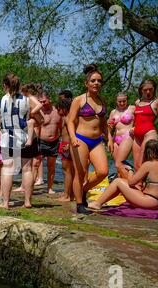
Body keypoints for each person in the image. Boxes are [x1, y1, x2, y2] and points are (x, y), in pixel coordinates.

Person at [67, 64, 109, 214]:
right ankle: (79, 204)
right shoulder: (79, 100)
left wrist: (109, 138)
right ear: (86, 83)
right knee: (81, 172)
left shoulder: (102, 101)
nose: (96, 83)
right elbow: (70, 121)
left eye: (99, 81)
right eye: (93, 80)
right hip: (81, 139)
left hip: (97, 141)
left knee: (103, 171)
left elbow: (104, 122)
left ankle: (83, 190)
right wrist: (72, 137)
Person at [0, 73, 39, 209]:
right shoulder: (26, 100)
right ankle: (27, 202)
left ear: (4, 86)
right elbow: (34, 112)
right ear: (18, 86)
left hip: (7, 139)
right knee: (27, 169)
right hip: (25, 137)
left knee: (7, 169)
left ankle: (5, 203)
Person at [88, 139, 158, 210]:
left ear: (147, 151)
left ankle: (97, 204)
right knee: (128, 185)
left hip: (148, 202)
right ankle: (99, 202)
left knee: (118, 181)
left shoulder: (149, 164)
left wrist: (130, 170)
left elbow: (131, 182)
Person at [13, 83, 43, 192]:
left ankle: (26, 187)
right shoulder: (27, 99)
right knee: (26, 165)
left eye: (22, 92)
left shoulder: (30, 98)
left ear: (26, 92)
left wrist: (31, 112)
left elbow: (39, 105)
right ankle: (23, 186)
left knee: (27, 165)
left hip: (34, 124)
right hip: (34, 124)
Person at [132, 79, 158, 170]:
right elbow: (135, 118)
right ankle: (140, 184)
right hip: (136, 137)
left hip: (149, 134)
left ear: (154, 89)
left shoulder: (156, 103)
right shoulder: (137, 102)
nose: (148, 92)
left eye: (150, 89)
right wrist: (132, 127)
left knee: (142, 164)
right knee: (136, 166)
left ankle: (152, 182)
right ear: (141, 90)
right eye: (145, 90)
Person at [33, 92, 62, 194]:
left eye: (44, 101)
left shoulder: (57, 111)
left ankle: (49, 188)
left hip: (54, 142)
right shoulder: (38, 111)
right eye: (40, 102)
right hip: (41, 141)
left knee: (51, 166)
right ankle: (30, 187)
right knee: (35, 164)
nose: (42, 103)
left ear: (49, 99)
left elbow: (61, 126)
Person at [107, 92, 135, 179]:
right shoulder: (113, 112)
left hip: (127, 137)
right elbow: (109, 128)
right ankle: (122, 187)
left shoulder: (132, 108)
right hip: (116, 139)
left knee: (119, 163)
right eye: (120, 101)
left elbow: (142, 121)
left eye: (124, 101)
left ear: (127, 100)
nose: (122, 103)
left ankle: (133, 181)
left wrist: (135, 128)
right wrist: (110, 140)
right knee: (119, 167)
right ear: (116, 101)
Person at [55, 98, 74, 202]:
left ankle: (67, 195)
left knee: (67, 171)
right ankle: (69, 194)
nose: (58, 112)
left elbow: (73, 133)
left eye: (59, 109)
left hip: (67, 146)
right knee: (68, 171)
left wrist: (70, 145)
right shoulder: (66, 117)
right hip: (64, 145)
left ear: (64, 108)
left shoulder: (67, 118)